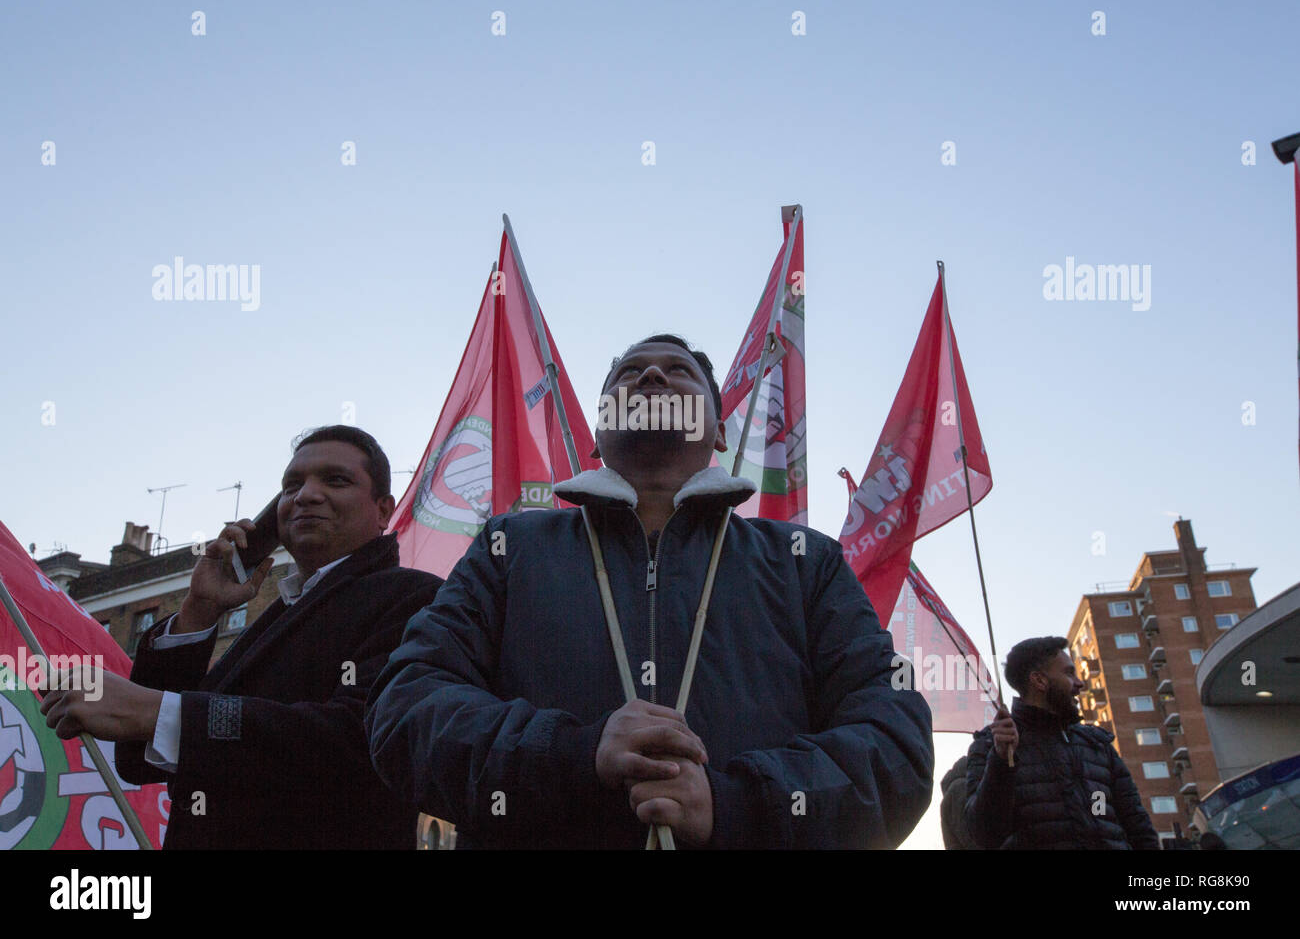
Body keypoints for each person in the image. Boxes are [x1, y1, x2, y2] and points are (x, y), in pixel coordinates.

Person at [365, 334, 934, 848]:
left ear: (715, 431)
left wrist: (738, 802)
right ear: (598, 434)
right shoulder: (510, 547)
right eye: (630, 371)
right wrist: (569, 754)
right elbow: (405, 706)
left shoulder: (805, 561)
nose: (653, 376)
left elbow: (895, 743)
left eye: (678, 370)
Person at [41, 425, 442, 848]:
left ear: (383, 510)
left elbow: (359, 739)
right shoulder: (280, 613)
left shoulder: (416, 597)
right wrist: (198, 611)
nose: (305, 495)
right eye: (291, 485)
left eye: (335, 480)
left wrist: (158, 711)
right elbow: (139, 758)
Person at [963, 636, 1159, 850]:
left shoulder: (1096, 745)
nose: (1079, 683)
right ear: (1039, 680)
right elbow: (984, 836)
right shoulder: (993, 746)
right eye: (1068, 673)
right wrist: (1000, 763)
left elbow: (1136, 826)